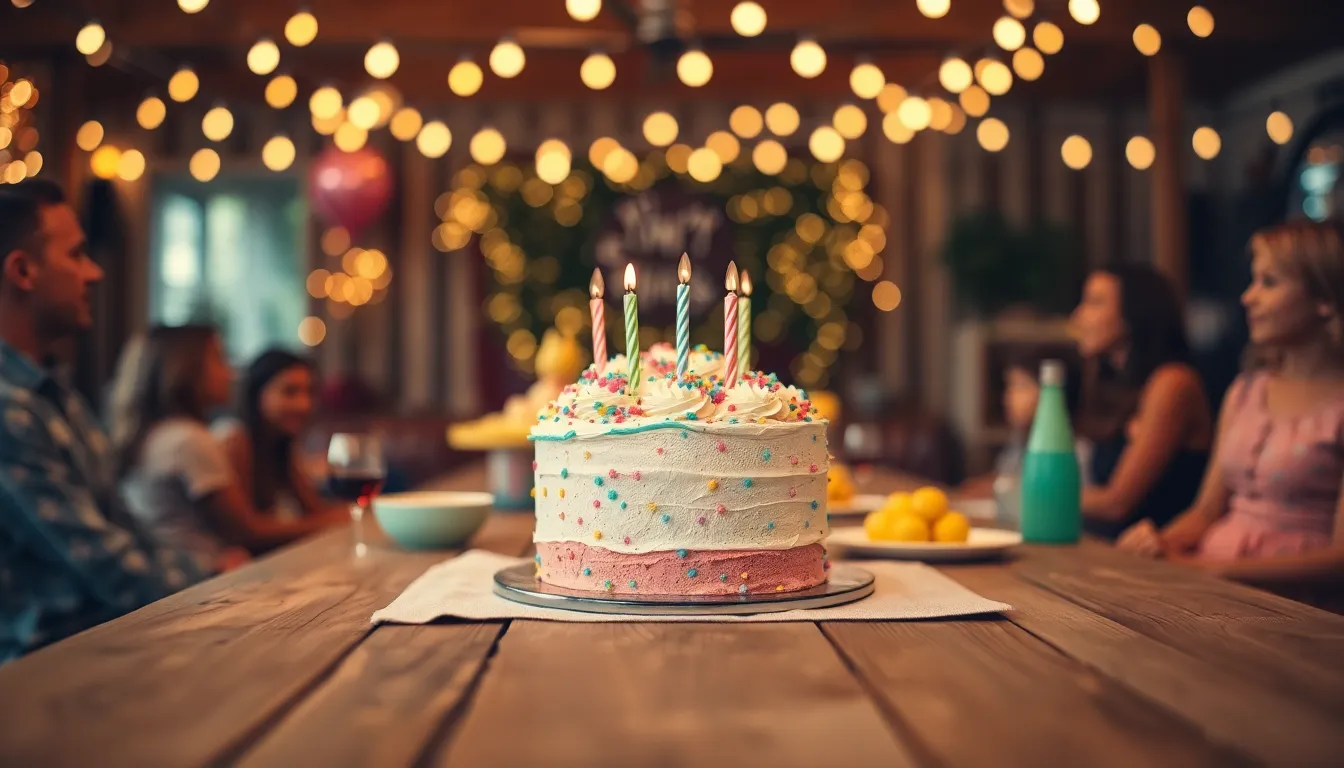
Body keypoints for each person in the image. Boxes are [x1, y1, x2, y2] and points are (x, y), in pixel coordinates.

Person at [0, 180, 207, 663]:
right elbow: (105, 566)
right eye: (76, 255)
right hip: (47, 677)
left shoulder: (55, 395)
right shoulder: (8, 409)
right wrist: (220, 582)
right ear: (23, 271)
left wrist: (210, 570)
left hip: (116, 644)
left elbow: (125, 524)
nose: (93, 273)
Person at [1119, 220, 1344, 596]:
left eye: (1269, 283)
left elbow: (1341, 558)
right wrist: (1157, 543)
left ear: (1325, 300)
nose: (1247, 297)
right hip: (1213, 583)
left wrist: (1211, 570)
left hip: (1299, 605)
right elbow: (1206, 512)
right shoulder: (1245, 391)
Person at [108, 326, 341, 564]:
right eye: (219, 359)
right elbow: (246, 532)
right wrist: (343, 519)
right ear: (187, 369)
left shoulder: (162, 433)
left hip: (185, 573)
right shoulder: (190, 440)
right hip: (196, 581)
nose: (230, 373)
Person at [1070, 263, 1215, 539]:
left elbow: (1117, 503)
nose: (1078, 317)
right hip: (1112, 547)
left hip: (1157, 553)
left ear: (1134, 313)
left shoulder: (1173, 382)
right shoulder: (1114, 382)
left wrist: (1029, 493)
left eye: (1094, 303)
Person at [215, 349, 341, 522]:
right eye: (290, 392)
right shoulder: (235, 440)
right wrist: (336, 519)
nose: (304, 405)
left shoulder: (281, 443)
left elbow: (314, 509)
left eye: (309, 392)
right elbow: (248, 531)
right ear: (257, 394)